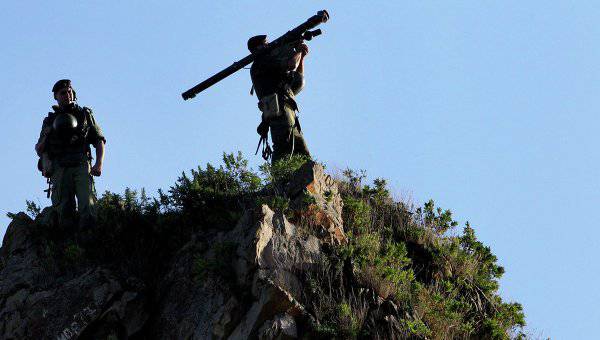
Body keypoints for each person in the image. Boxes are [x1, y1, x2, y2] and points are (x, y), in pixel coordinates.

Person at [35, 79, 106, 228]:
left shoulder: (84, 114)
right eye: (63, 93)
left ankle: (88, 241)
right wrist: (47, 135)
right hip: (59, 166)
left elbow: (99, 140)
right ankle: (66, 247)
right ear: (56, 96)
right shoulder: (50, 120)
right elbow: (39, 149)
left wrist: (98, 164)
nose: (67, 95)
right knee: (63, 210)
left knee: (87, 204)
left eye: (69, 92)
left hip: (80, 163)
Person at [248, 35, 311, 163]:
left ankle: (308, 179)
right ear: (258, 48)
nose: (269, 45)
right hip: (279, 109)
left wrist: (302, 56)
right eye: (265, 43)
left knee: (302, 151)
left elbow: (297, 81)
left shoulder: (271, 65)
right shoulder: (262, 62)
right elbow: (291, 65)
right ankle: (279, 180)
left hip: (287, 108)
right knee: (283, 146)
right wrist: (298, 51)